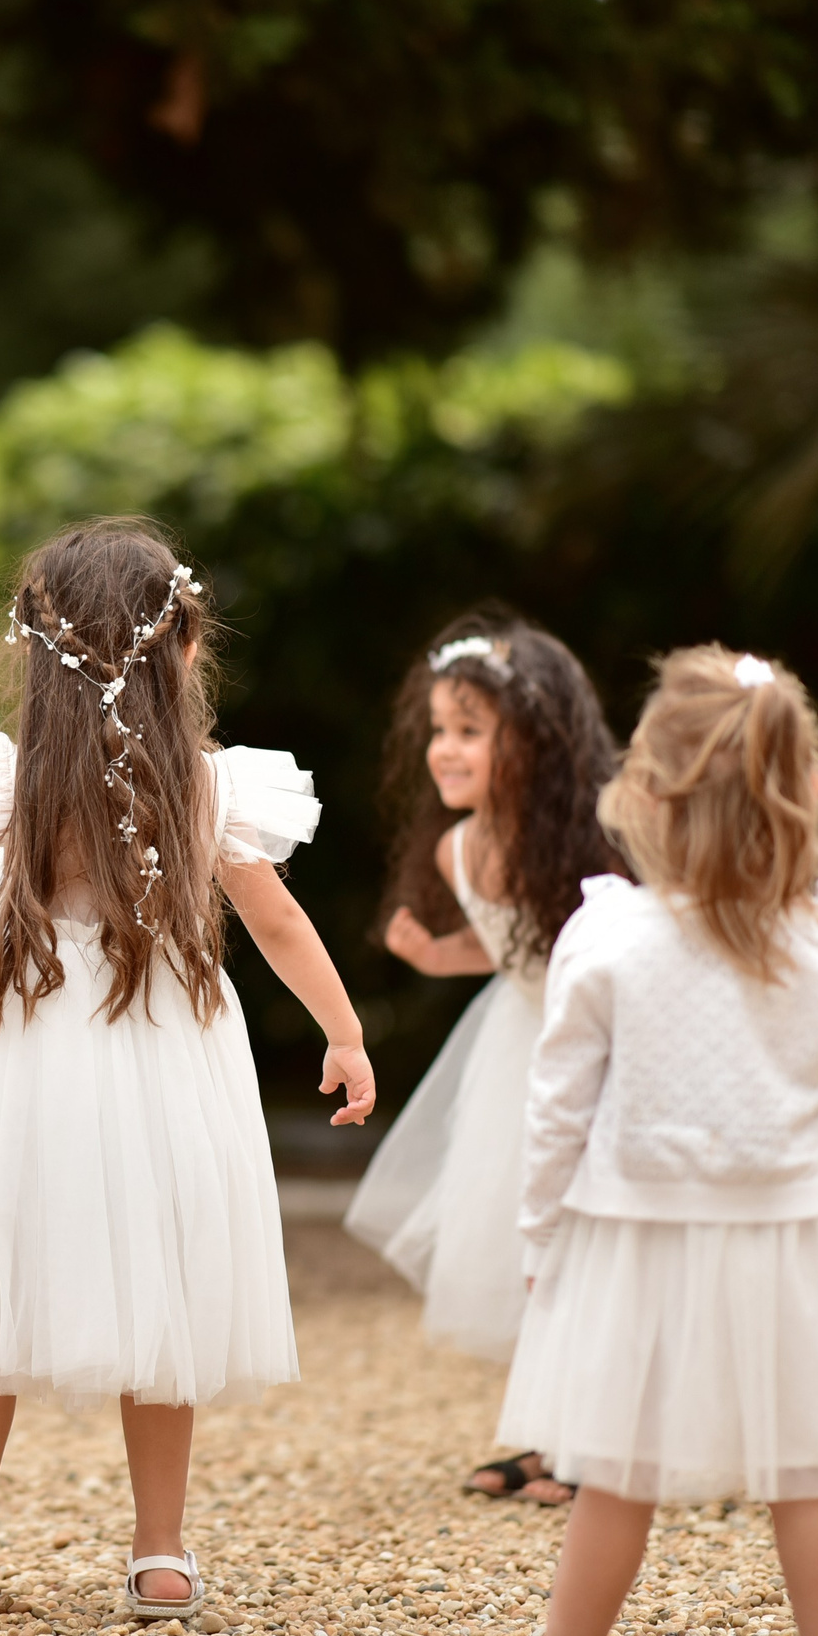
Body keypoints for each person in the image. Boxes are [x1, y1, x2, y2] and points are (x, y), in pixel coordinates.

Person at [0, 521, 377, 1622]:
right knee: (164, 1283)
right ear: (181, 650)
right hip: (164, 1044)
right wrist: (342, 1030)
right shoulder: (208, 788)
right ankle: (160, 1556)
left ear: (28, 656)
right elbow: (279, 924)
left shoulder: (9, 781)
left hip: (19, 1041)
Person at [500, 646, 818, 1636]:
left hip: (632, 1239)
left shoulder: (609, 937)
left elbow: (556, 1106)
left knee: (616, 1472)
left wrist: (539, 1232)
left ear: (648, 789)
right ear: (801, 792)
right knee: (808, 1470)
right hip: (795, 1240)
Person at [342, 613, 623, 1506]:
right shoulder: (457, 846)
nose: (445, 750)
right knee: (526, 1240)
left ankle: (602, 1440)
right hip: (516, 1050)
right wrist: (438, 954)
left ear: (532, 739)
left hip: (598, 1047)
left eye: (469, 729)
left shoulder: (593, 836)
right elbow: (517, 953)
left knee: (594, 1239)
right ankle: (546, 1434)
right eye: (437, 729)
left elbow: (607, 949)